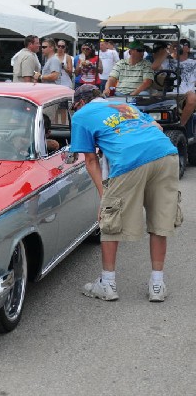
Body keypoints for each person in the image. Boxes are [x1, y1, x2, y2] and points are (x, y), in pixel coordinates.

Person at [70, 84, 181, 302]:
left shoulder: (81, 115)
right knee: (160, 220)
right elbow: (157, 127)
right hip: (166, 154)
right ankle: (157, 285)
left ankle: (108, 284)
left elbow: (91, 160)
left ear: (80, 103)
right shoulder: (122, 104)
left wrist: (105, 197)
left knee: (111, 221)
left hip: (130, 159)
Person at [154, 39, 196, 128]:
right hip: (167, 93)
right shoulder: (168, 61)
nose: (179, 46)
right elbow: (154, 67)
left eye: (183, 44)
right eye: (178, 44)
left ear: (188, 49)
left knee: (192, 97)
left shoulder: (194, 63)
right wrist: (169, 50)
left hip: (185, 95)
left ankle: (181, 126)